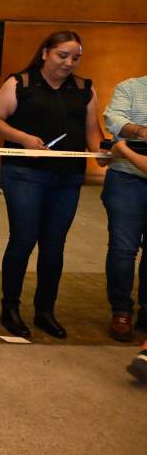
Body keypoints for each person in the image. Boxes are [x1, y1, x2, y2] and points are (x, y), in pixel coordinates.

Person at [0, 30, 103, 339]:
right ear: (45, 53)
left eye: (75, 57)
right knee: (23, 239)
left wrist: (101, 152)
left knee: (54, 245)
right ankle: (10, 307)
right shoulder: (20, 83)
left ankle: (45, 310)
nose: (69, 63)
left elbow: (92, 131)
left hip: (69, 176)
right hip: (24, 172)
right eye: (62, 55)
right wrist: (24, 139)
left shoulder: (84, 90)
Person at [101, 78, 147, 341]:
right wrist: (141, 131)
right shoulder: (130, 87)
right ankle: (121, 311)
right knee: (123, 249)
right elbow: (114, 119)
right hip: (126, 178)